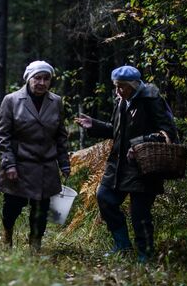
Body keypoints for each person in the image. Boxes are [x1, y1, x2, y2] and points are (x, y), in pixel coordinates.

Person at [75, 65, 178, 263]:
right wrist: (94, 125)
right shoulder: (122, 99)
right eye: (116, 86)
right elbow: (117, 131)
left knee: (140, 213)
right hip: (119, 165)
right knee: (105, 197)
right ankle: (122, 245)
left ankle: (145, 256)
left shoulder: (152, 99)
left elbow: (168, 133)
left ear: (134, 85)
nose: (118, 91)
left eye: (122, 87)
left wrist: (139, 143)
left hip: (144, 166)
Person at [0, 60, 71, 251]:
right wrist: (9, 165)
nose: (42, 82)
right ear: (29, 79)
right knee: (12, 207)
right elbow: (3, 135)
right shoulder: (11, 100)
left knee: (41, 210)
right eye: (38, 78)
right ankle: (7, 237)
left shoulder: (56, 101)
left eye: (46, 79)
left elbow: (61, 135)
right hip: (19, 166)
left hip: (45, 167)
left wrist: (64, 163)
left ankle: (35, 245)